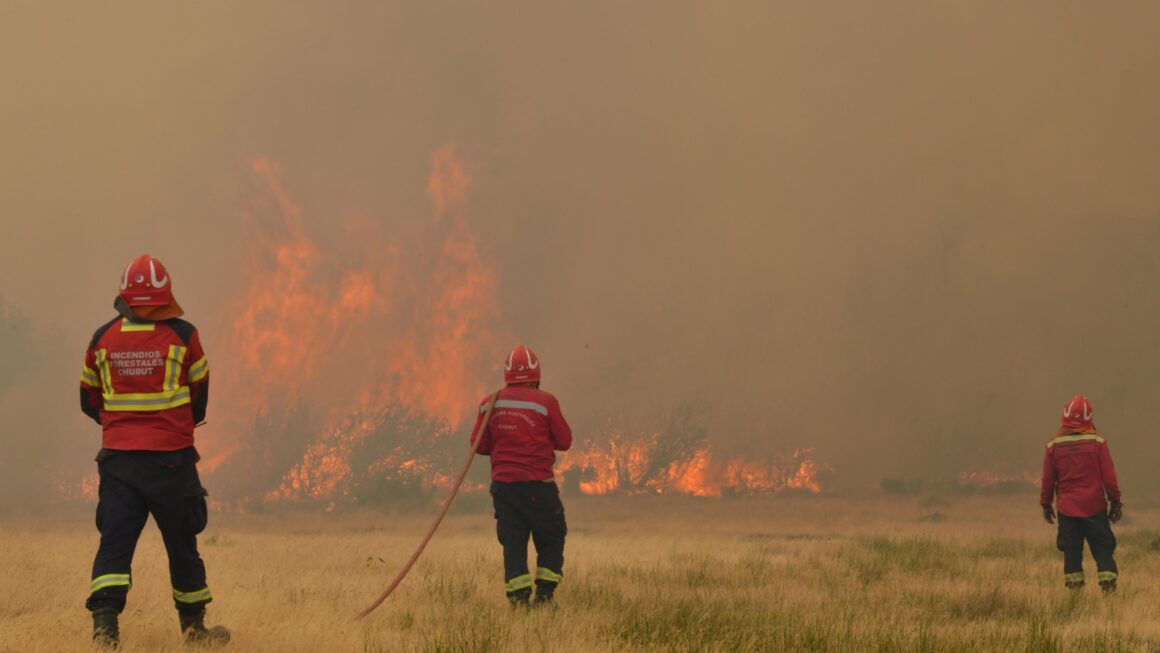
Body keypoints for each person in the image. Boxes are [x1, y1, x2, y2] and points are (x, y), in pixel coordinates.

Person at [80, 254, 230, 647]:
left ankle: (105, 628)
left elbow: (88, 399)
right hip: (171, 462)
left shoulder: (102, 338)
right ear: (165, 297)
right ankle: (195, 630)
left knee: (114, 543)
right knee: (182, 544)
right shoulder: (183, 336)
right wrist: (173, 428)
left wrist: (122, 428)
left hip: (118, 462)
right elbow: (200, 398)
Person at [470, 344, 573, 607]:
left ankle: (518, 600)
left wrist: (505, 440)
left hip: (504, 488)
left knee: (513, 543)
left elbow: (479, 445)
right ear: (536, 375)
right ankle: (545, 596)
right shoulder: (546, 402)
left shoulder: (489, 403)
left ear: (506, 374)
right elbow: (564, 441)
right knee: (551, 538)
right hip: (538, 487)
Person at [1040, 394, 1122, 592]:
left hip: (1067, 510)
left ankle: (1075, 594)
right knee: (1103, 549)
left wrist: (1046, 503)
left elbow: (1048, 479)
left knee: (1072, 552)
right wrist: (1115, 501)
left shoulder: (1053, 446)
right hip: (1094, 507)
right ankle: (1109, 589)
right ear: (1089, 417)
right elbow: (1109, 478)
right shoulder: (1098, 442)